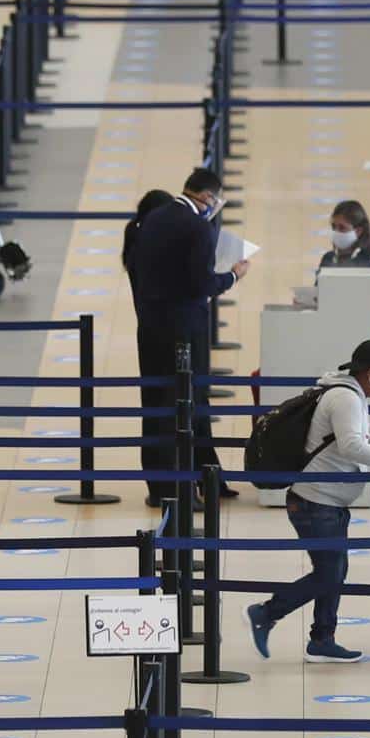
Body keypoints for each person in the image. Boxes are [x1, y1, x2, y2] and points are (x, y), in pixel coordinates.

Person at [243, 339, 370, 663]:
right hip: (315, 503)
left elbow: (353, 440)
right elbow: (352, 448)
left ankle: (322, 639)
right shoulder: (345, 399)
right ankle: (265, 613)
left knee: (334, 571)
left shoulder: (349, 394)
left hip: (326, 503)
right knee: (328, 573)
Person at [126, 168, 251, 505]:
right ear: (209, 197)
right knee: (185, 405)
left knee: (155, 406)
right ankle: (184, 487)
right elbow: (202, 285)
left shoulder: (152, 220)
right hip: (184, 332)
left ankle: (162, 487)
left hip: (150, 327)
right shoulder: (198, 227)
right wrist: (233, 276)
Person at [318, 200, 370, 305]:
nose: (336, 232)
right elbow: (318, 296)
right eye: (334, 227)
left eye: (342, 227)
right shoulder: (328, 259)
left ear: (358, 231)